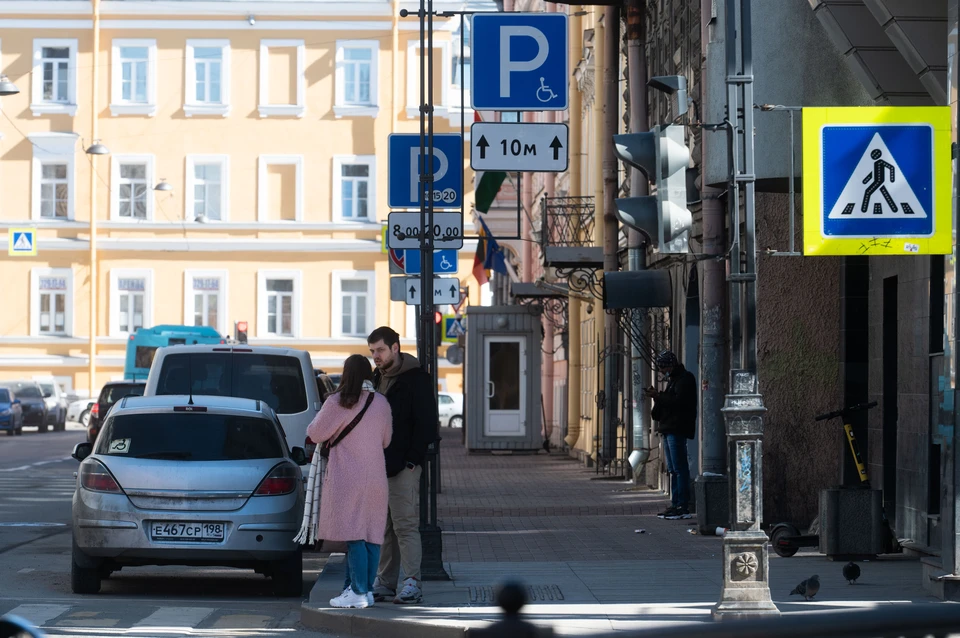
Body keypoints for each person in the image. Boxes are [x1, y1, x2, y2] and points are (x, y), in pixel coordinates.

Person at [305, 354, 392, 609]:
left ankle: (358, 592)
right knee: (372, 535)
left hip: (347, 477)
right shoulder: (382, 403)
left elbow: (314, 432)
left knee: (354, 535)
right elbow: (386, 440)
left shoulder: (337, 402)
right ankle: (363, 590)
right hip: (376, 477)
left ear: (346, 374)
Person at [367, 326, 438, 605]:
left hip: (403, 466)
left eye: (380, 350)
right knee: (384, 526)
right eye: (372, 351)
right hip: (378, 465)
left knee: (405, 525)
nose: (376, 356)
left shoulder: (416, 379)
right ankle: (385, 582)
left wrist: (412, 461)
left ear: (395, 348)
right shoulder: (376, 378)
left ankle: (412, 583)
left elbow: (427, 423)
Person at [644, 350, 696, 520]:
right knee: (674, 469)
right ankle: (676, 504)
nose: (661, 371)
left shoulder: (684, 379)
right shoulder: (674, 380)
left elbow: (678, 403)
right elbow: (669, 403)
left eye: (663, 367)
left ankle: (682, 505)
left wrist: (658, 396)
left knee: (680, 469)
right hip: (668, 429)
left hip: (677, 429)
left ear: (670, 365)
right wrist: (658, 397)